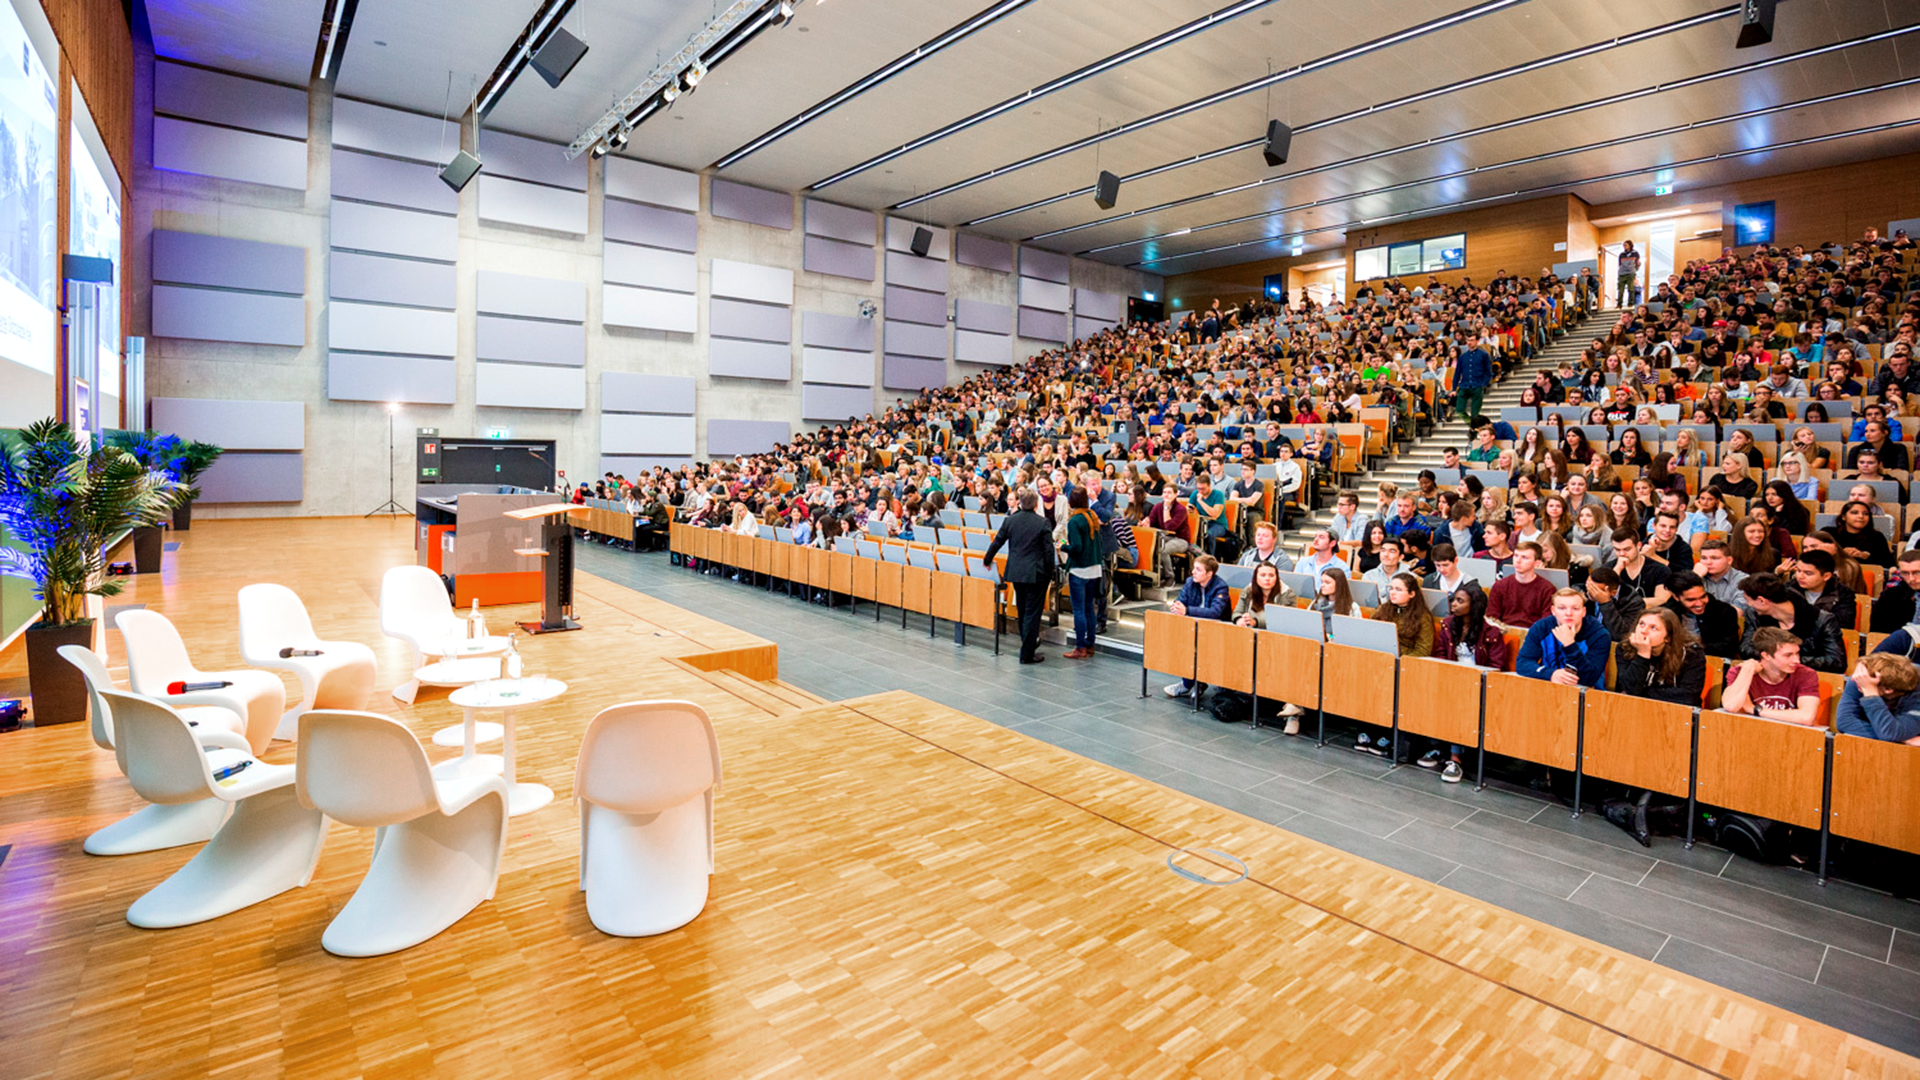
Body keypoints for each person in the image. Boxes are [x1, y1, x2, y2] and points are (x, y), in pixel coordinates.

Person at [1603, 607, 1708, 845]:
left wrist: (1645, 693)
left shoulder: (1691, 654)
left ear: (1669, 636)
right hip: (1635, 718)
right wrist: (1643, 655)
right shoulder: (1626, 649)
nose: (1644, 631)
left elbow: (1689, 696)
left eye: (1654, 628)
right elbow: (1629, 688)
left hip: (1677, 721)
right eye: (1642, 625)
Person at [1425, 583, 1505, 782]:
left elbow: (1496, 665)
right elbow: (1440, 653)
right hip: (1451, 677)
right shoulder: (1448, 625)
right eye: (1454, 600)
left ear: (1474, 605)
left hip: (1478, 683)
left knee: (1460, 703)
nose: (1453, 604)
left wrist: (1470, 679)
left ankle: (1455, 758)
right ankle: (1436, 748)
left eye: (1460, 601)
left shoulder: (1491, 633)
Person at [1356, 572, 1434, 757]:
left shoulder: (1422, 617)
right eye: (1391, 588)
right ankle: (1368, 730)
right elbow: (1370, 632)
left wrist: (1400, 662)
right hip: (1380, 661)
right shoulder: (1384, 609)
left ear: (1412, 594)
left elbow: (1423, 650)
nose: (1393, 593)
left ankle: (1387, 735)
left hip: (1404, 666)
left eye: (1398, 589)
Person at [981, 489, 1057, 665]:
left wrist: (987, 559)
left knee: (1022, 610)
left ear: (1020, 503)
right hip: (1036, 573)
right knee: (1032, 612)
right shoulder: (1043, 522)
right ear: (1036, 505)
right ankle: (1027, 653)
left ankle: (1028, 645)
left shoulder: (1011, 520)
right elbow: (1048, 550)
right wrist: (1050, 571)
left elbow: (997, 541)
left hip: (1016, 571)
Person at [1737, 573, 1846, 673]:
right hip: (1769, 673)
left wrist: (1790, 660)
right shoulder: (1753, 615)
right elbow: (1746, 649)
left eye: (1747, 600)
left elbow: (1837, 662)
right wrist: (1777, 659)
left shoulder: (1822, 620)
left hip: (1807, 675)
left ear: (1762, 601)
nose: (1747, 604)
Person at [1722, 627, 1822, 727]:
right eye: (1788, 655)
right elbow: (1731, 706)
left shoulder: (1806, 674)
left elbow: (1807, 718)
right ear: (1766, 656)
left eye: (1797, 653)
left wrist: (1754, 709)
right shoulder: (1741, 672)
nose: (1797, 661)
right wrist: (1747, 671)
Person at [1164, 555, 1230, 700]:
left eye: (1198, 570)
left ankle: (1189, 685)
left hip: (1217, 631)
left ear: (1209, 574)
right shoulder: (1190, 582)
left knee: (1198, 648)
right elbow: (1180, 601)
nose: (1193, 572)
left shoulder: (1221, 587)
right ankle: (1192, 683)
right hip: (1194, 627)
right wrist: (1176, 606)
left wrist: (1186, 610)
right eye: (1194, 568)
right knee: (1182, 644)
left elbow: (1215, 612)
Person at [1517, 587, 1611, 688]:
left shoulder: (1600, 635)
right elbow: (1523, 663)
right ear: (1553, 611)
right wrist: (1551, 674)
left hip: (1588, 693)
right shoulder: (1541, 628)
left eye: (1575, 608)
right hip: (1550, 686)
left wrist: (1570, 644)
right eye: (1562, 608)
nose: (1568, 613)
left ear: (1583, 612)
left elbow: (1588, 678)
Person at [1836, 654, 1920, 743]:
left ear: (1888, 689)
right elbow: (1845, 723)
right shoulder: (1861, 678)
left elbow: (1889, 733)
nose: (1855, 679)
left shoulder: (1865, 683)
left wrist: (1871, 694)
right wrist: (1902, 739)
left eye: (1865, 681)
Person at [1060, 489, 1103, 660]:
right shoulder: (1092, 516)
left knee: (1078, 609)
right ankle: (1090, 644)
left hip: (1079, 569)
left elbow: (1076, 548)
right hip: (1094, 568)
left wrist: (1062, 546)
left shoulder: (1075, 520)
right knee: (1089, 608)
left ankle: (1080, 647)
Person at [1660, 571, 1742, 659]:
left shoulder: (1723, 611)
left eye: (1703, 597)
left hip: (1713, 660)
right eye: (1691, 600)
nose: (1699, 604)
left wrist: (1693, 649)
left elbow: (1729, 647)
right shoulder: (1664, 614)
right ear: (1676, 597)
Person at [1488, 541, 1554, 626]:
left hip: (1533, 635)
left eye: (1524, 558)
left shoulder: (1547, 589)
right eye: (1516, 556)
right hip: (1503, 632)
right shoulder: (1500, 586)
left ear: (1537, 563)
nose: (1518, 561)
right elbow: (1492, 618)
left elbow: (1546, 623)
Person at [1792, 549, 1856, 626]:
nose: (1800, 577)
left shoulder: (1843, 594)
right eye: (1798, 571)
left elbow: (1842, 624)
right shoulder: (1789, 589)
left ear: (1826, 576)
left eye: (1808, 573)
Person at [1584, 567, 1644, 643]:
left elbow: (1621, 635)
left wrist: (1605, 603)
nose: (1588, 592)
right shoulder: (1585, 593)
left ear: (1613, 592)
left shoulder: (1634, 602)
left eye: (1594, 590)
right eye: (1588, 586)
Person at [1869, 548, 1920, 633]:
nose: (1911, 579)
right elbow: (1878, 633)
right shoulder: (1890, 596)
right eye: (1905, 573)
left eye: (1917, 572)